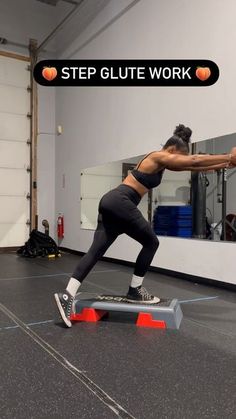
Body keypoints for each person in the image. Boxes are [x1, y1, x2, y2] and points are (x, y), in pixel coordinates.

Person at [54, 124, 236, 327]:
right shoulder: (157, 156)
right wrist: (227, 157)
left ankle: (67, 294)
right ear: (173, 150)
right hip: (121, 201)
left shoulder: (162, 163)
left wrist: (224, 164)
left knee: (95, 251)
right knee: (151, 242)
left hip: (112, 203)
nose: (180, 160)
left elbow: (192, 166)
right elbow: (192, 160)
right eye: (179, 156)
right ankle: (135, 290)